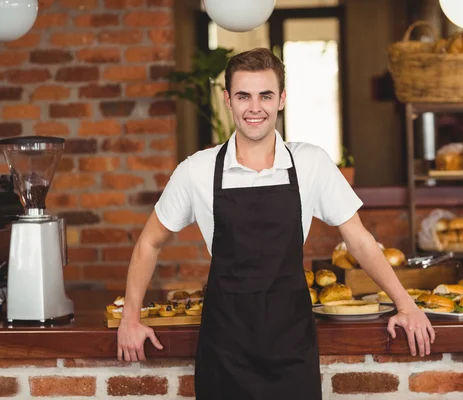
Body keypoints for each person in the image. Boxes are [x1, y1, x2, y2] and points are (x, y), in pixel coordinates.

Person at [117, 47, 435, 399]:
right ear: (227, 100)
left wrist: (406, 305)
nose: (255, 108)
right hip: (225, 349)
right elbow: (150, 242)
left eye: (265, 95)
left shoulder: (311, 163)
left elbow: (359, 240)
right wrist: (130, 318)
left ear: (281, 98)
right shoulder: (197, 169)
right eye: (243, 96)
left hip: (291, 349)